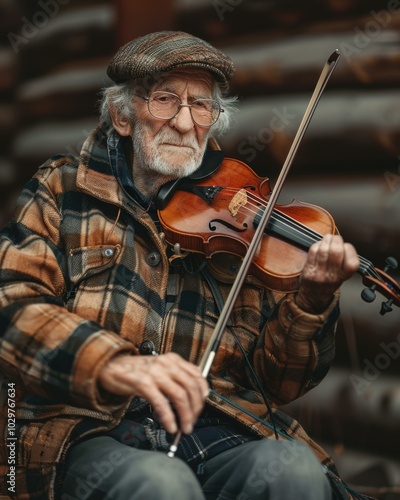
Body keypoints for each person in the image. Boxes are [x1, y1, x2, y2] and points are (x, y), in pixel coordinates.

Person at [0, 30, 370, 500]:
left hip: (214, 425)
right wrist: (114, 366)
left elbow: (281, 380)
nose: (183, 121)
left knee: (291, 469)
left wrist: (312, 302)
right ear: (122, 115)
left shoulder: (239, 216)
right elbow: (11, 306)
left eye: (201, 106)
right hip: (88, 427)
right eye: (164, 99)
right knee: (160, 484)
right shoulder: (63, 189)